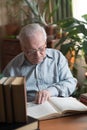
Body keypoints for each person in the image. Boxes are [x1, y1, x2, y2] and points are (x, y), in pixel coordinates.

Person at [3, 23, 77, 104]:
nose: (37, 55)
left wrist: (51, 91)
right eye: (32, 51)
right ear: (23, 48)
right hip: (29, 110)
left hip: (57, 106)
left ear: (45, 44)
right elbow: (5, 96)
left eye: (41, 48)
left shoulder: (57, 57)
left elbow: (70, 82)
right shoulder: (13, 67)